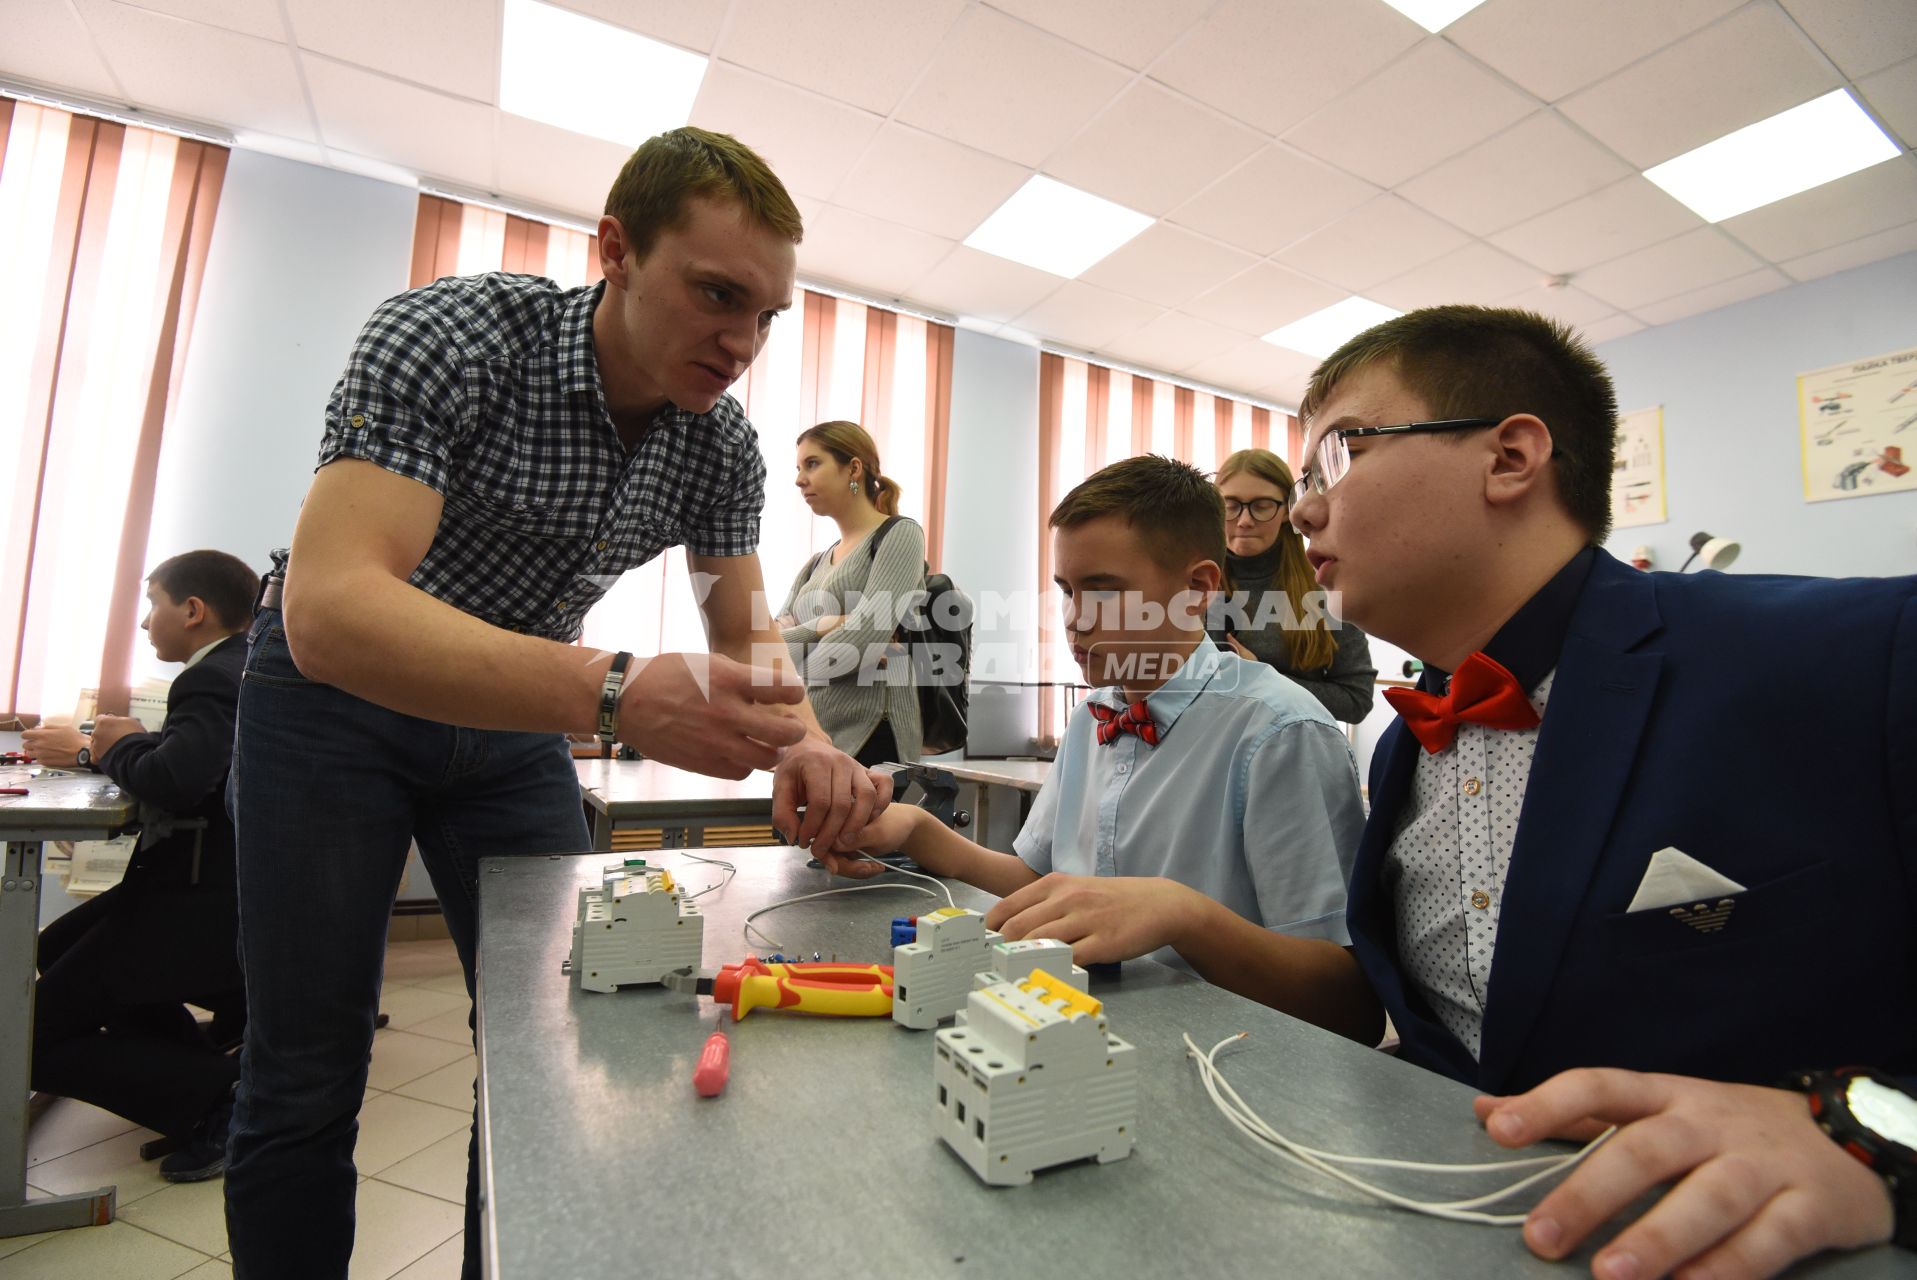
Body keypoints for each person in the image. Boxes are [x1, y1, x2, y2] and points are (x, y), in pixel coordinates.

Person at [226, 127, 892, 1279]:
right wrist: (617, 689)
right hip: (330, 701)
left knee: (550, 1046)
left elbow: (745, 633)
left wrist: (817, 749)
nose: (742, 342)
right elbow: (330, 611)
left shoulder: (718, 444)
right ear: (617, 250)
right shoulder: (454, 337)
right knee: (303, 1063)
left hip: (514, 718)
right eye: (717, 294)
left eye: (768, 314)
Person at [1165, 304, 1912, 1276]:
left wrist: (1871, 1138)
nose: (1303, 511)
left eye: (1336, 459)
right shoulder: (1402, 752)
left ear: (1511, 457)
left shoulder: (1853, 655)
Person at [822, 455, 1373, 1041]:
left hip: (1224, 1062)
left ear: (1198, 588)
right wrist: (915, 831)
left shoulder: (1278, 732)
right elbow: (1043, 882)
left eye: (1105, 593)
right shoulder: (1093, 715)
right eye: (1066, 590)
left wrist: (1183, 915)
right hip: (1087, 1037)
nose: (1075, 621)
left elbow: (1345, 1006)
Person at [24, 550, 255, 1182]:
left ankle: (220, 1101)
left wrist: (102, 745)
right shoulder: (239, 667)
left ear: (192, 610)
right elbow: (193, 761)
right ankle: (209, 1086)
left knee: (29, 1038)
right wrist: (99, 748)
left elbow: (179, 779)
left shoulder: (210, 677)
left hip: (200, 900)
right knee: (58, 942)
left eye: (152, 605)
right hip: (208, 887)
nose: (146, 623)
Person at [778, 421, 925, 767]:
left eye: (812, 464)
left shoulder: (899, 535)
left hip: (875, 735)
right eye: (799, 468)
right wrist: (824, 625)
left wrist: (802, 659)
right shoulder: (815, 565)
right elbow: (770, 652)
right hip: (817, 738)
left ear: (853, 469)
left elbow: (860, 642)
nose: (800, 479)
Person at [1210, 448, 1376, 722]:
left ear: (1288, 510)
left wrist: (1262, 677)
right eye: (1231, 505)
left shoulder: (1326, 588)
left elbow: (1356, 700)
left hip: (1291, 753)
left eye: (1261, 506)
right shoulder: (1190, 585)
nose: (1244, 520)